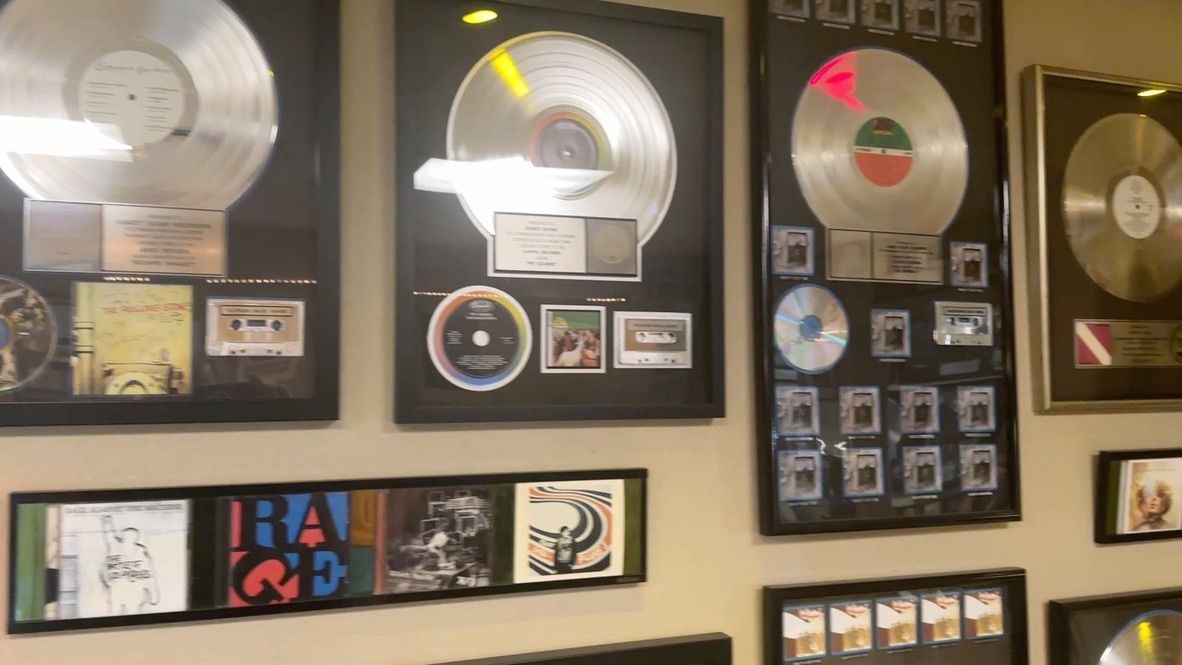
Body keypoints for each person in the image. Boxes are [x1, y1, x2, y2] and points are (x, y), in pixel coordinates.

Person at [101, 515, 160, 615]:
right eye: (127, 535)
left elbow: (148, 573)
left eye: (131, 536)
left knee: (133, 612)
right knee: (114, 612)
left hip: (134, 588)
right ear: (123, 536)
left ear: (135, 538)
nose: (129, 538)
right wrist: (107, 523)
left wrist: (153, 592)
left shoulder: (141, 551)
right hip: (118, 587)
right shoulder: (116, 546)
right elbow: (109, 536)